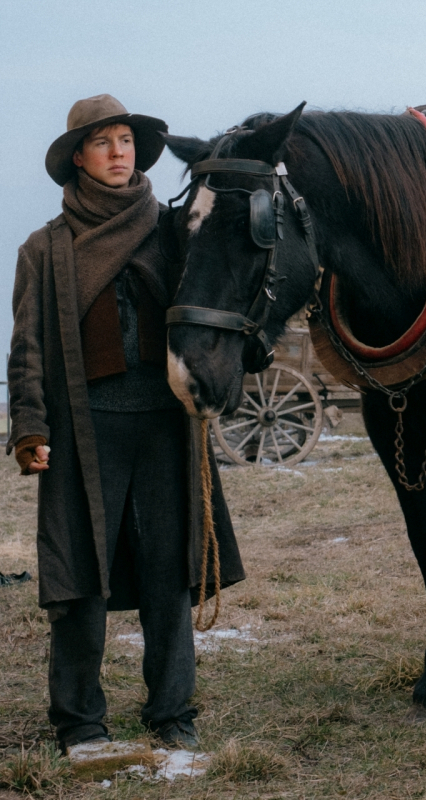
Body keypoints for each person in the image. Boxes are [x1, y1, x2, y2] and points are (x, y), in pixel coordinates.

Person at [6, 94, 244, 752]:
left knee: (169, 577)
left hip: (165, 428)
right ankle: (80, 725)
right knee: (78, 581)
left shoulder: (172, 232)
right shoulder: (43, 251)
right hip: (86, 432)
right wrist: (29, 428)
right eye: (104, 142)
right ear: (78, 158)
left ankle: (173, 717)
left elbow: (213, 307)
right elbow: (26, 350)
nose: (119, 153)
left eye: (126, 141)